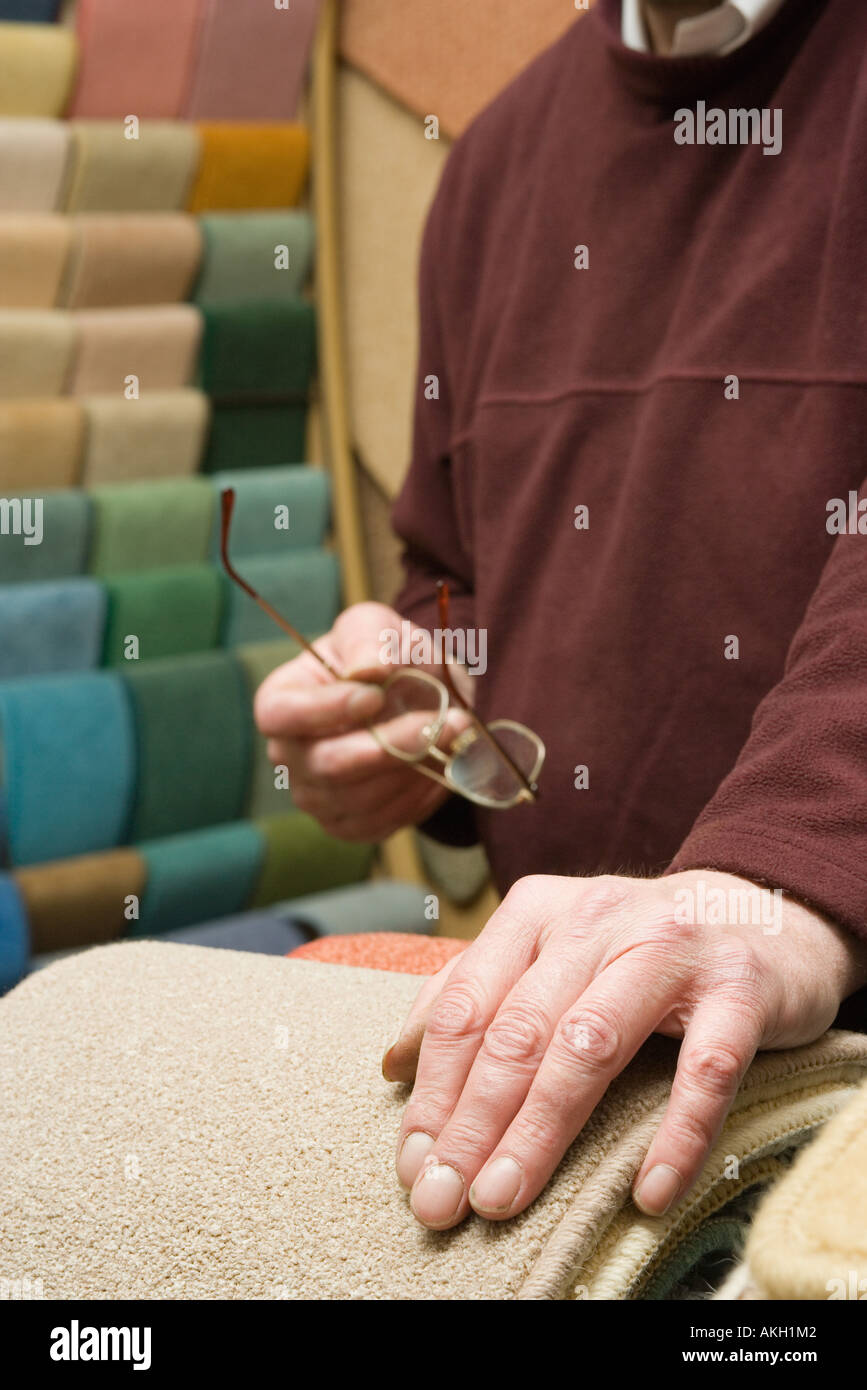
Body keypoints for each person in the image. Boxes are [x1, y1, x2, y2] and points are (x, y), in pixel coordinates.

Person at [255, 0, 867, 1231]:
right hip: (581, 1088)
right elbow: (460, 564)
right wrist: (418, 693)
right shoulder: (493, 169)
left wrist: (773, 873)